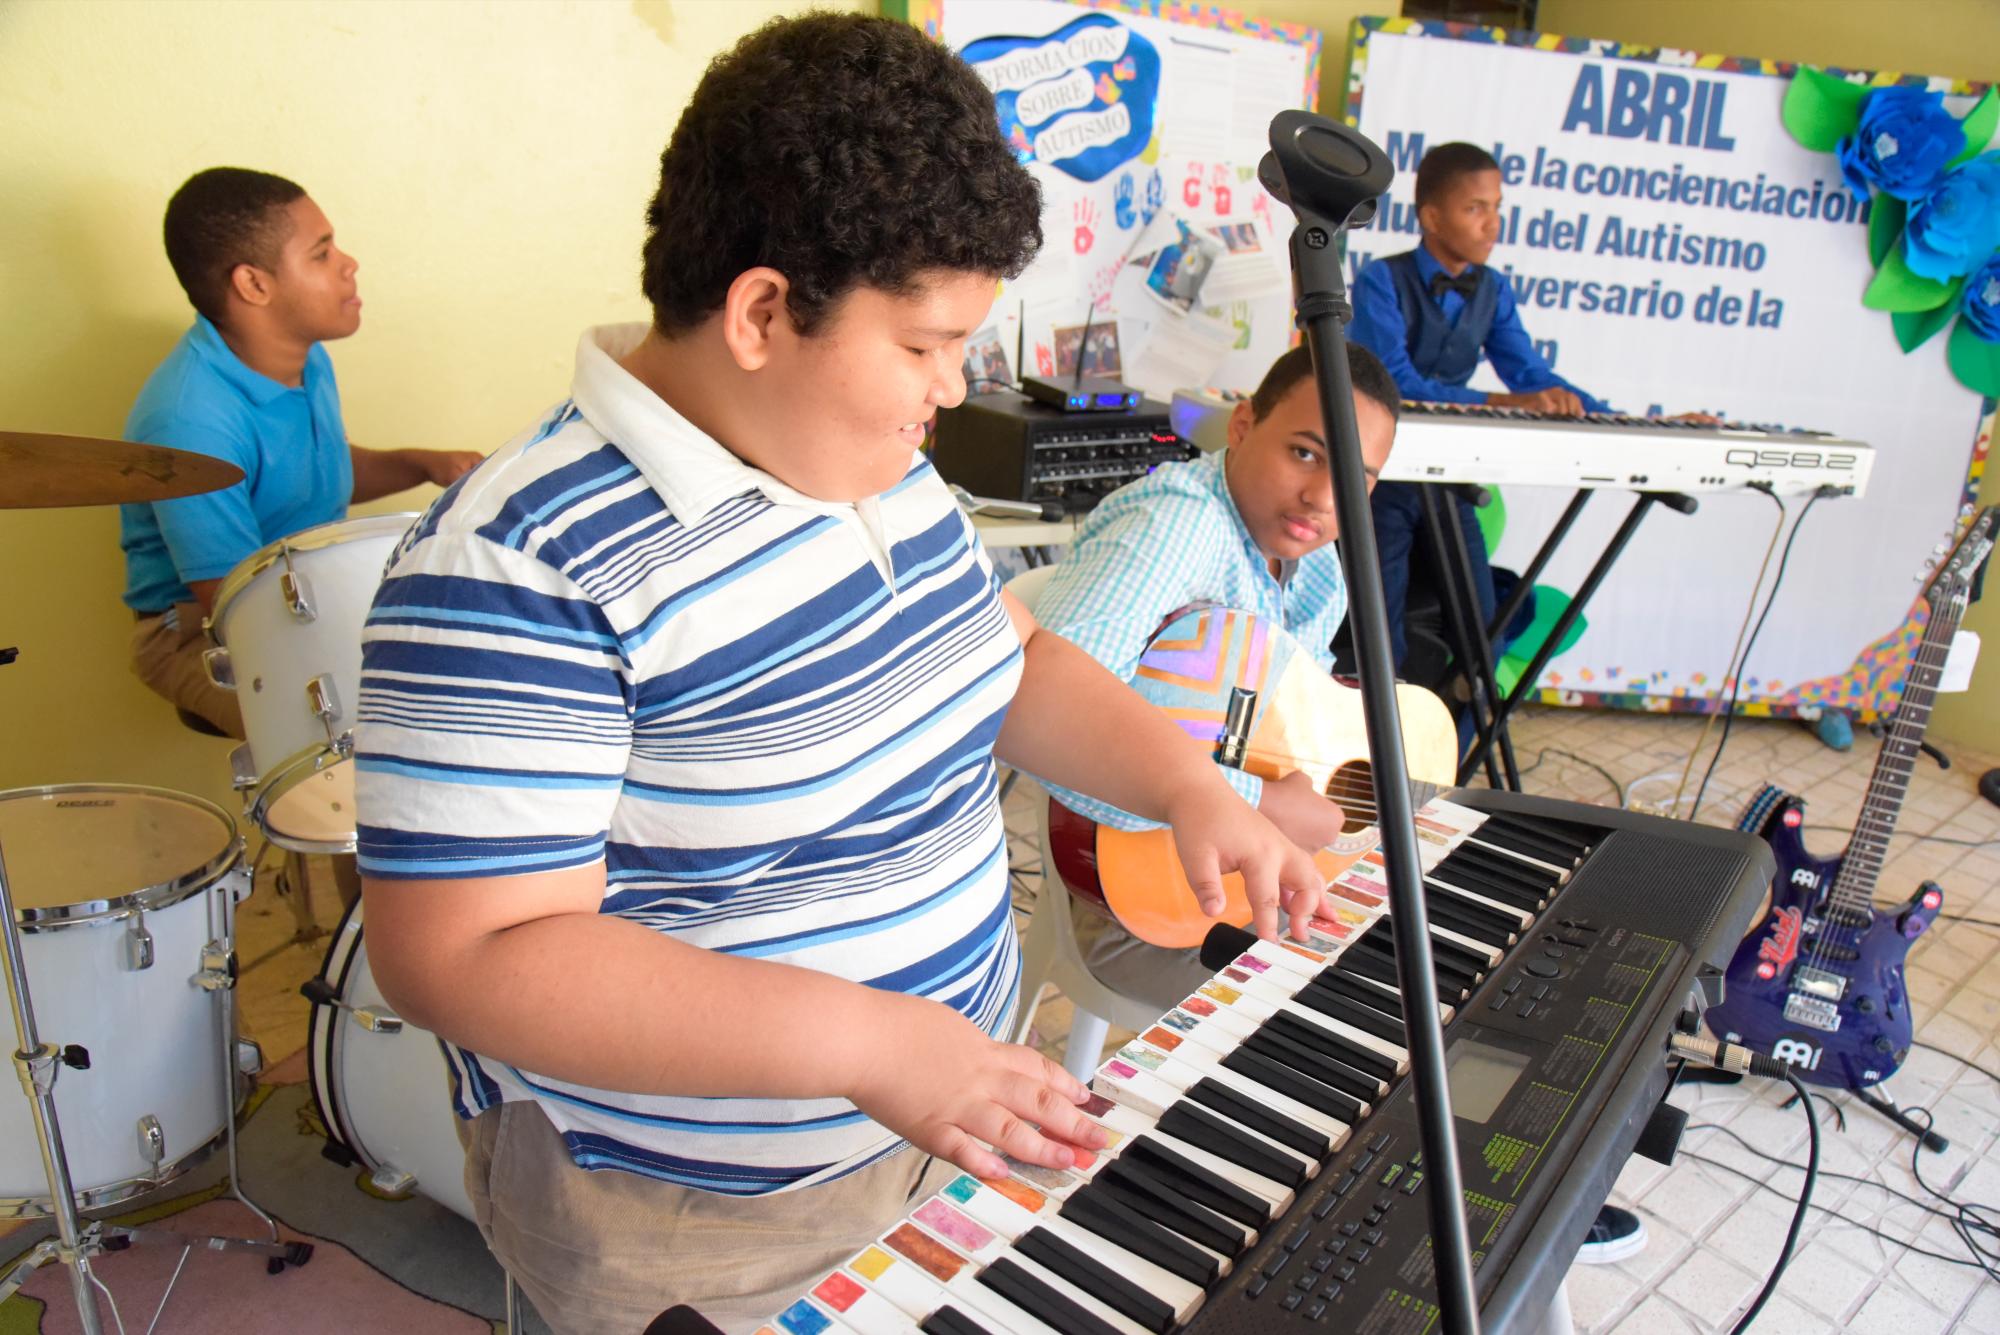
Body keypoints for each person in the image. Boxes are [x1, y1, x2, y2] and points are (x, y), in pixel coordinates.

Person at [350, 16, 1324, 1333]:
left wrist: (1184, 782)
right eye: (925, 347)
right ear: (763, 312)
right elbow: (464, 956)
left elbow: (1009, 659)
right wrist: (868, 1042)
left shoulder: (865, 457)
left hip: (938, 1115)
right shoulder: (517, 566)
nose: (953, 387)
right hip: (695, 1220)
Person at [1033, 342, 1397, 1007]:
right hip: (1144, 913)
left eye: (1353, 477)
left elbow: (1285, 735)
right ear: (1242, 425)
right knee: (1363, 1004)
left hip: (1250, 883)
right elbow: (1046, 708)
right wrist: (1254, 802)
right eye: (1305, 453)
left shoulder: (1317, 568)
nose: (1321, 497)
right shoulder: (1177, 528)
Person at [120, 167, 482, 738]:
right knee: (385, 726)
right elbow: (237, 607)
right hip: (198, 632)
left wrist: (422, 463)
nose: (348, 263)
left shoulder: (303, 358)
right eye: (321, 253)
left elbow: (312, 474)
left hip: (299, 597)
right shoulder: (190, 420)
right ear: (254, 285)